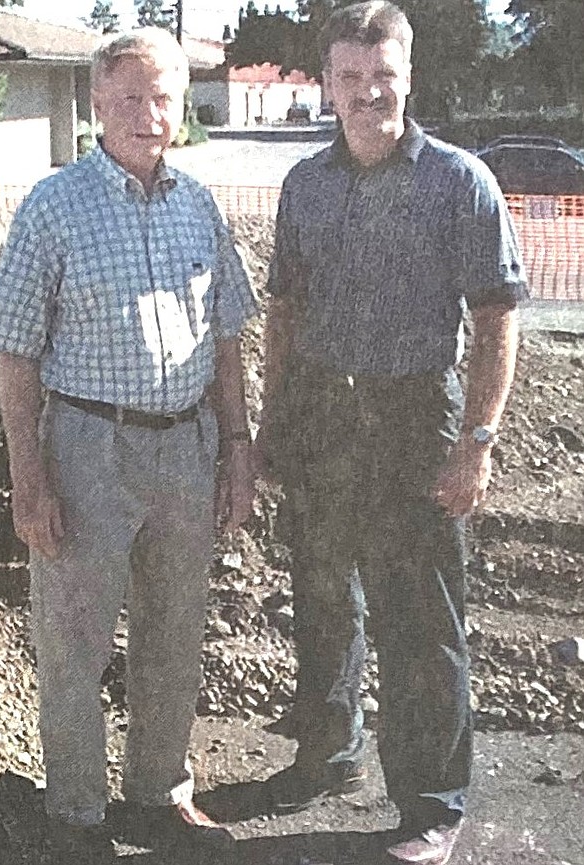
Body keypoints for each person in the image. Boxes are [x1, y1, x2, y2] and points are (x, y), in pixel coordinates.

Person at [0, 26, 257, 862]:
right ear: (97, 104)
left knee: (175, 629)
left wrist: (237, 448)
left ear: (181, 108)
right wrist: (29, 478)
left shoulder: (198, 206)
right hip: (89, 446)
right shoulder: (53, 207)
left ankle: (157, 794)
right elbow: (15, 351)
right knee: (75, 637)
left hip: (186, 447)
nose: (149, 113)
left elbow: (229, 334)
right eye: (130, 96)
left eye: (164, 97)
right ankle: (76, 813)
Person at [256, 3, 527, 864]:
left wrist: (476, 440)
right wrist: (271, 422)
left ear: (407, 76)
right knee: (325, 600)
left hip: (417, 419)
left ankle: (431, 805)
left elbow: (495, 321)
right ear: (327, 85)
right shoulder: (306, 185)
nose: (368, 93)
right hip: (322, 415)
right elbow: (286, 314)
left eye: (383, 77)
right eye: (350, 78)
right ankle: (326, 756)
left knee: (421, 621)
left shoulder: (459, 182)